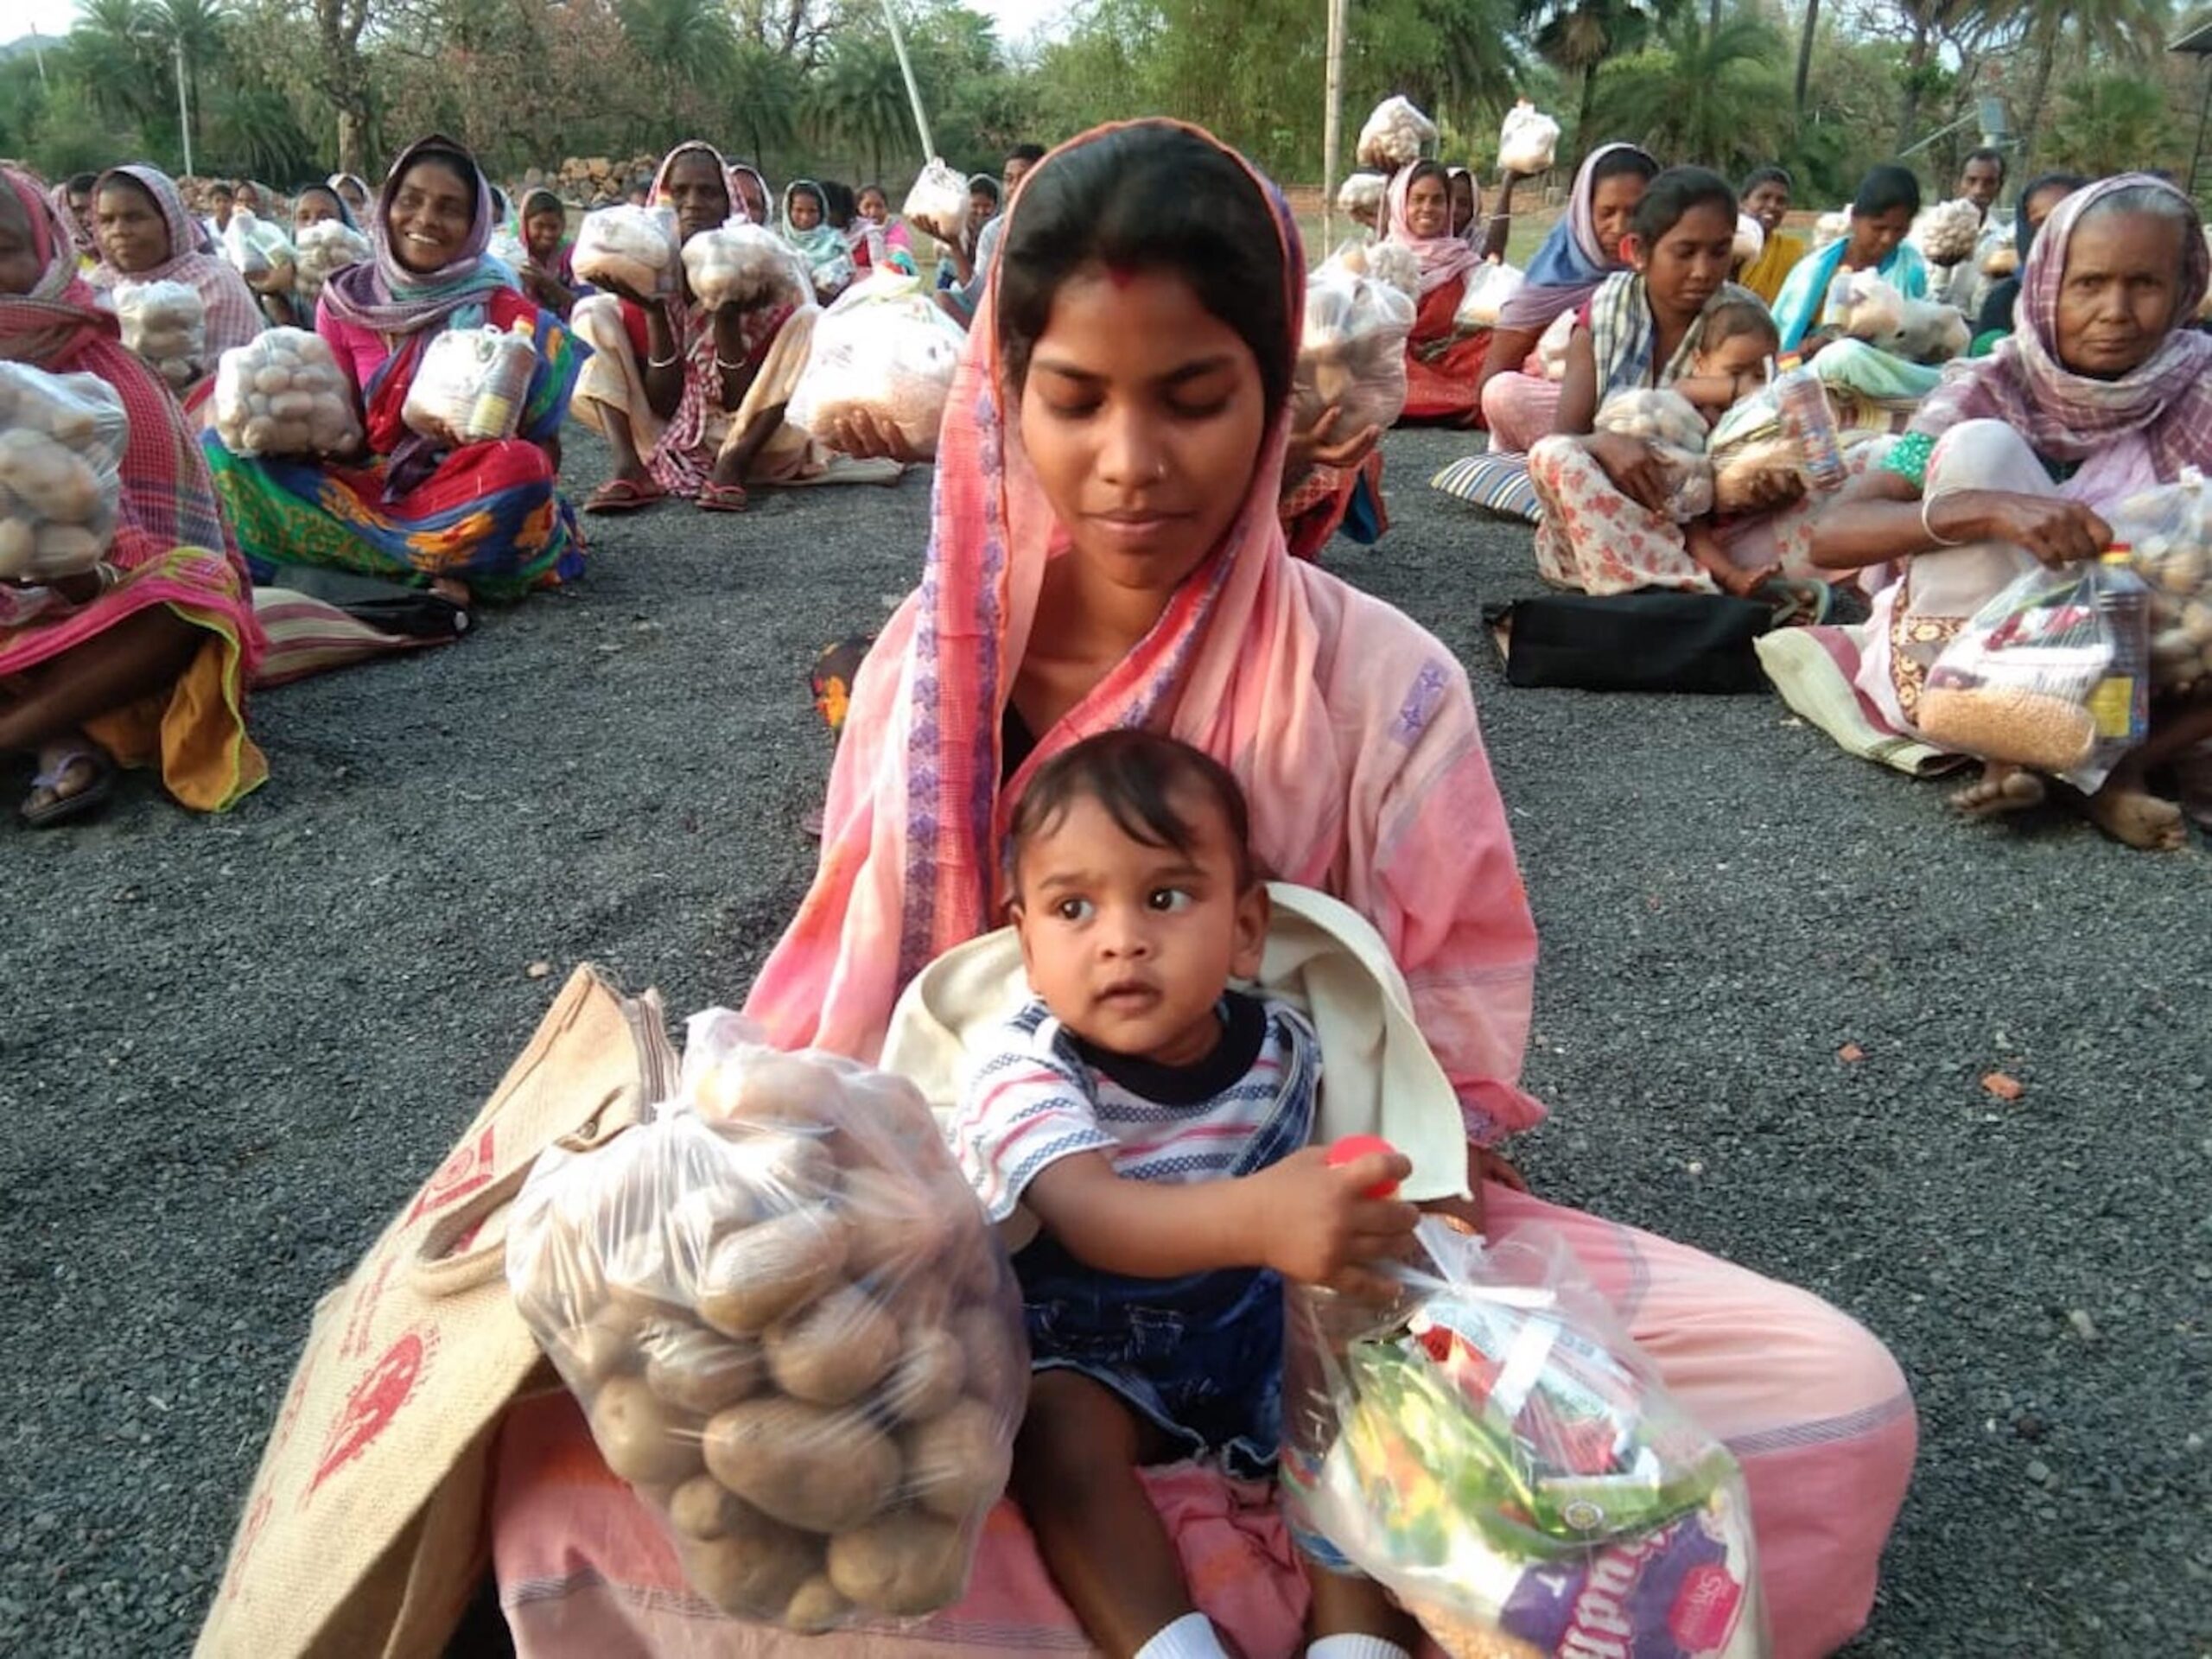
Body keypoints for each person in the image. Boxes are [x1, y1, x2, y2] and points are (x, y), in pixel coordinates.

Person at [491, 119, 1915, 1659]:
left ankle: (1247, 1568)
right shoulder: (926, 673)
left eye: (1192, 397)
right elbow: (850, 1027)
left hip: (1331, 1256)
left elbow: (1439, 1068)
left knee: (1835, 1406)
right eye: (1075, 398)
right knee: (581, 1484)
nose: (1129, 462)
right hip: (997, 1273)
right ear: (1002, 398)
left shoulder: (1383, 682)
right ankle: (1296, 1577)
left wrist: (1364, 1272)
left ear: (1273, 402)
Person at [954, 729, 1424, 1659]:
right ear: (1026, 943)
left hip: (1254, 1339)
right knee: (1055, 1435)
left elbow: (1385, 1140)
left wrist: (1399, 1218)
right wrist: (1260, 1217)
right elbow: (1094, 1216)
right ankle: (1170, 1647)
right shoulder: (1026, 1068)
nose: (1121, 938)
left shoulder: (1289, 1042)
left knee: (1372, 1409)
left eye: (1164, 897)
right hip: (1097, 1351)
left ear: (1245, 928)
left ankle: (1357, 1644)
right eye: (1073, 908)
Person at [1808, 174, 2212, 851]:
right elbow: (1833, 535)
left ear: (2181, 291)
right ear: (2049, 282)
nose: (2115, 309)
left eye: (2144, 284)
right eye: (2089, 283)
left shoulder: (2199, 389)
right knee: (1978, 452)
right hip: (1981, 673)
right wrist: (1986, 511)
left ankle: (2113, 767)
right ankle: (2018, 745)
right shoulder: (1990, 388)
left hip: (2150, 682)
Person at [200, 135, 586, 601]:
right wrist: (295, 437)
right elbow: (347, 431)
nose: (425, 220)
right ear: (387, 209)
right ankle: (427, 571)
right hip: (369, 486)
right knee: (221, 452)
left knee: (521, 469)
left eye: (449, 208)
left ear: (474, 223)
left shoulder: (503, 310)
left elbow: (546, 449)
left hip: (458, 487)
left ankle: (360, 573)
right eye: (411, 201)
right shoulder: (346, 299)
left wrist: (471, 437)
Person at [0, 168, 265, 825]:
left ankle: (20, 733)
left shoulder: (112, 375)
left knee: (194, 592)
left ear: (50, 250)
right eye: (108, 219)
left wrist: (78, 574)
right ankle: (59, 730)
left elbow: (164, 560)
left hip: (91, 629)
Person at [1528, 169, 1827, 601]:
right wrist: (1605, 444)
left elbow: (1771, 424)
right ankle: (1689, 585)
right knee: (1552, 455)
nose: (1703, 271)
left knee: (1854, 473)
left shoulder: (1745, 320)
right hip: (1616, 515)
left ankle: (1669, 584)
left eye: (1719, 252)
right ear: (1638, 252)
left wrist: (1768, 474)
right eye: (1684, 253)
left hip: (1716, 518)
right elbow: (1568, 435)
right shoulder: (1604, 315)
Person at [569, 141, 891, 514]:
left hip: (756, 438)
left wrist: (725, 318)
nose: (692, 202)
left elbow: (738, 399)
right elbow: (664, 402)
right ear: (663, 198)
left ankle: (732, 465)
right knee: (592, 311)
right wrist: (656, 311)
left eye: (708, 192)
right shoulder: (643, 266)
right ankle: (629, 467)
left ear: (729, 204)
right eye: (681, 191)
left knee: (811, 321)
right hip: (665, 435)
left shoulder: (762, 268)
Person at [1474, 143, 1658, 450]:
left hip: (1649, 411)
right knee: (1502, 393)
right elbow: (1491, 380)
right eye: (1607, 213)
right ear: (1584, 213)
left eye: (1636, 213)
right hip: (1567, 415)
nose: (1621, 227)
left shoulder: (1667, 270)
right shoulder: (1550, 282)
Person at [85, 165, 264, 402]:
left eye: (134, 218)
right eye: (107, 220)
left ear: (169, 221)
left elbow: (242, 377)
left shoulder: (216, 281)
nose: (119, 231)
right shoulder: (94, 287)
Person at [1387, 160, 1517, 427]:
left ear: (1448, 207)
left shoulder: (1464, 260)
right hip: (1404, 361)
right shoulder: (1385, 260)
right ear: (1402, 205)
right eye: (1418, 199)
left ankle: (1446, 403)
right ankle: (1451, 404)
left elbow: (1483, 318)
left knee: (1499, 346)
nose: (1427, 209)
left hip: (1451, 360)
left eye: (1437, 201)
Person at [1770, 163, 1927, 355]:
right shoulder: (1813, 273)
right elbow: (1780, 349)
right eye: (1879, 228)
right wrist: (1822, 343)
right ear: (1854, 219)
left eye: (1899, 230)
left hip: (1889, 371)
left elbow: (1915, 341)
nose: (1888, 239)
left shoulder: (1910, 268)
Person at [1974, 172, 2086, 350]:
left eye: (2067, 218)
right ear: (2025, 230)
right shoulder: (2004, 300)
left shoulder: (2112, 293)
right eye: (2042, 222)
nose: (2055, 231)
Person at [1737, 164, 1805, 303]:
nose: (1772, 206)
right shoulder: (1727, 245)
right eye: (1764, 197)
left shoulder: (1792, 251)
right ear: (1743, 203)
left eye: (1781, 201)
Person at [513, 187, 581, 320]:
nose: (547, 234)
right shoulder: (513, 255)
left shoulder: (573, 257)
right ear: (525, 226)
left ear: (563, 225)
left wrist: (548, 283)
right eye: (539, 226)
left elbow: (587, 305)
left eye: (553, 227)